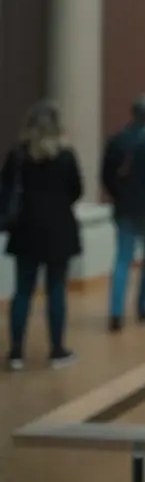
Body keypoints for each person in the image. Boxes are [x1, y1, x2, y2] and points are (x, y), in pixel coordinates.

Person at [2, 101, 84, 370]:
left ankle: (15, 353)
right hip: (59, 230)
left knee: (23, 291)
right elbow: (77, 190)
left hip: (25, 230)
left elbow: (5, 191)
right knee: (56, 289)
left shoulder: (17, 155)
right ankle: (57, 350)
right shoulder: (66, 156)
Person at [101, 94, 145, 331]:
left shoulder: (117, 141)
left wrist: (118, 194)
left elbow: (106, 176)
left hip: (124, 207)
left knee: (123, 259)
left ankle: (116, 312)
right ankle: (143, 307)